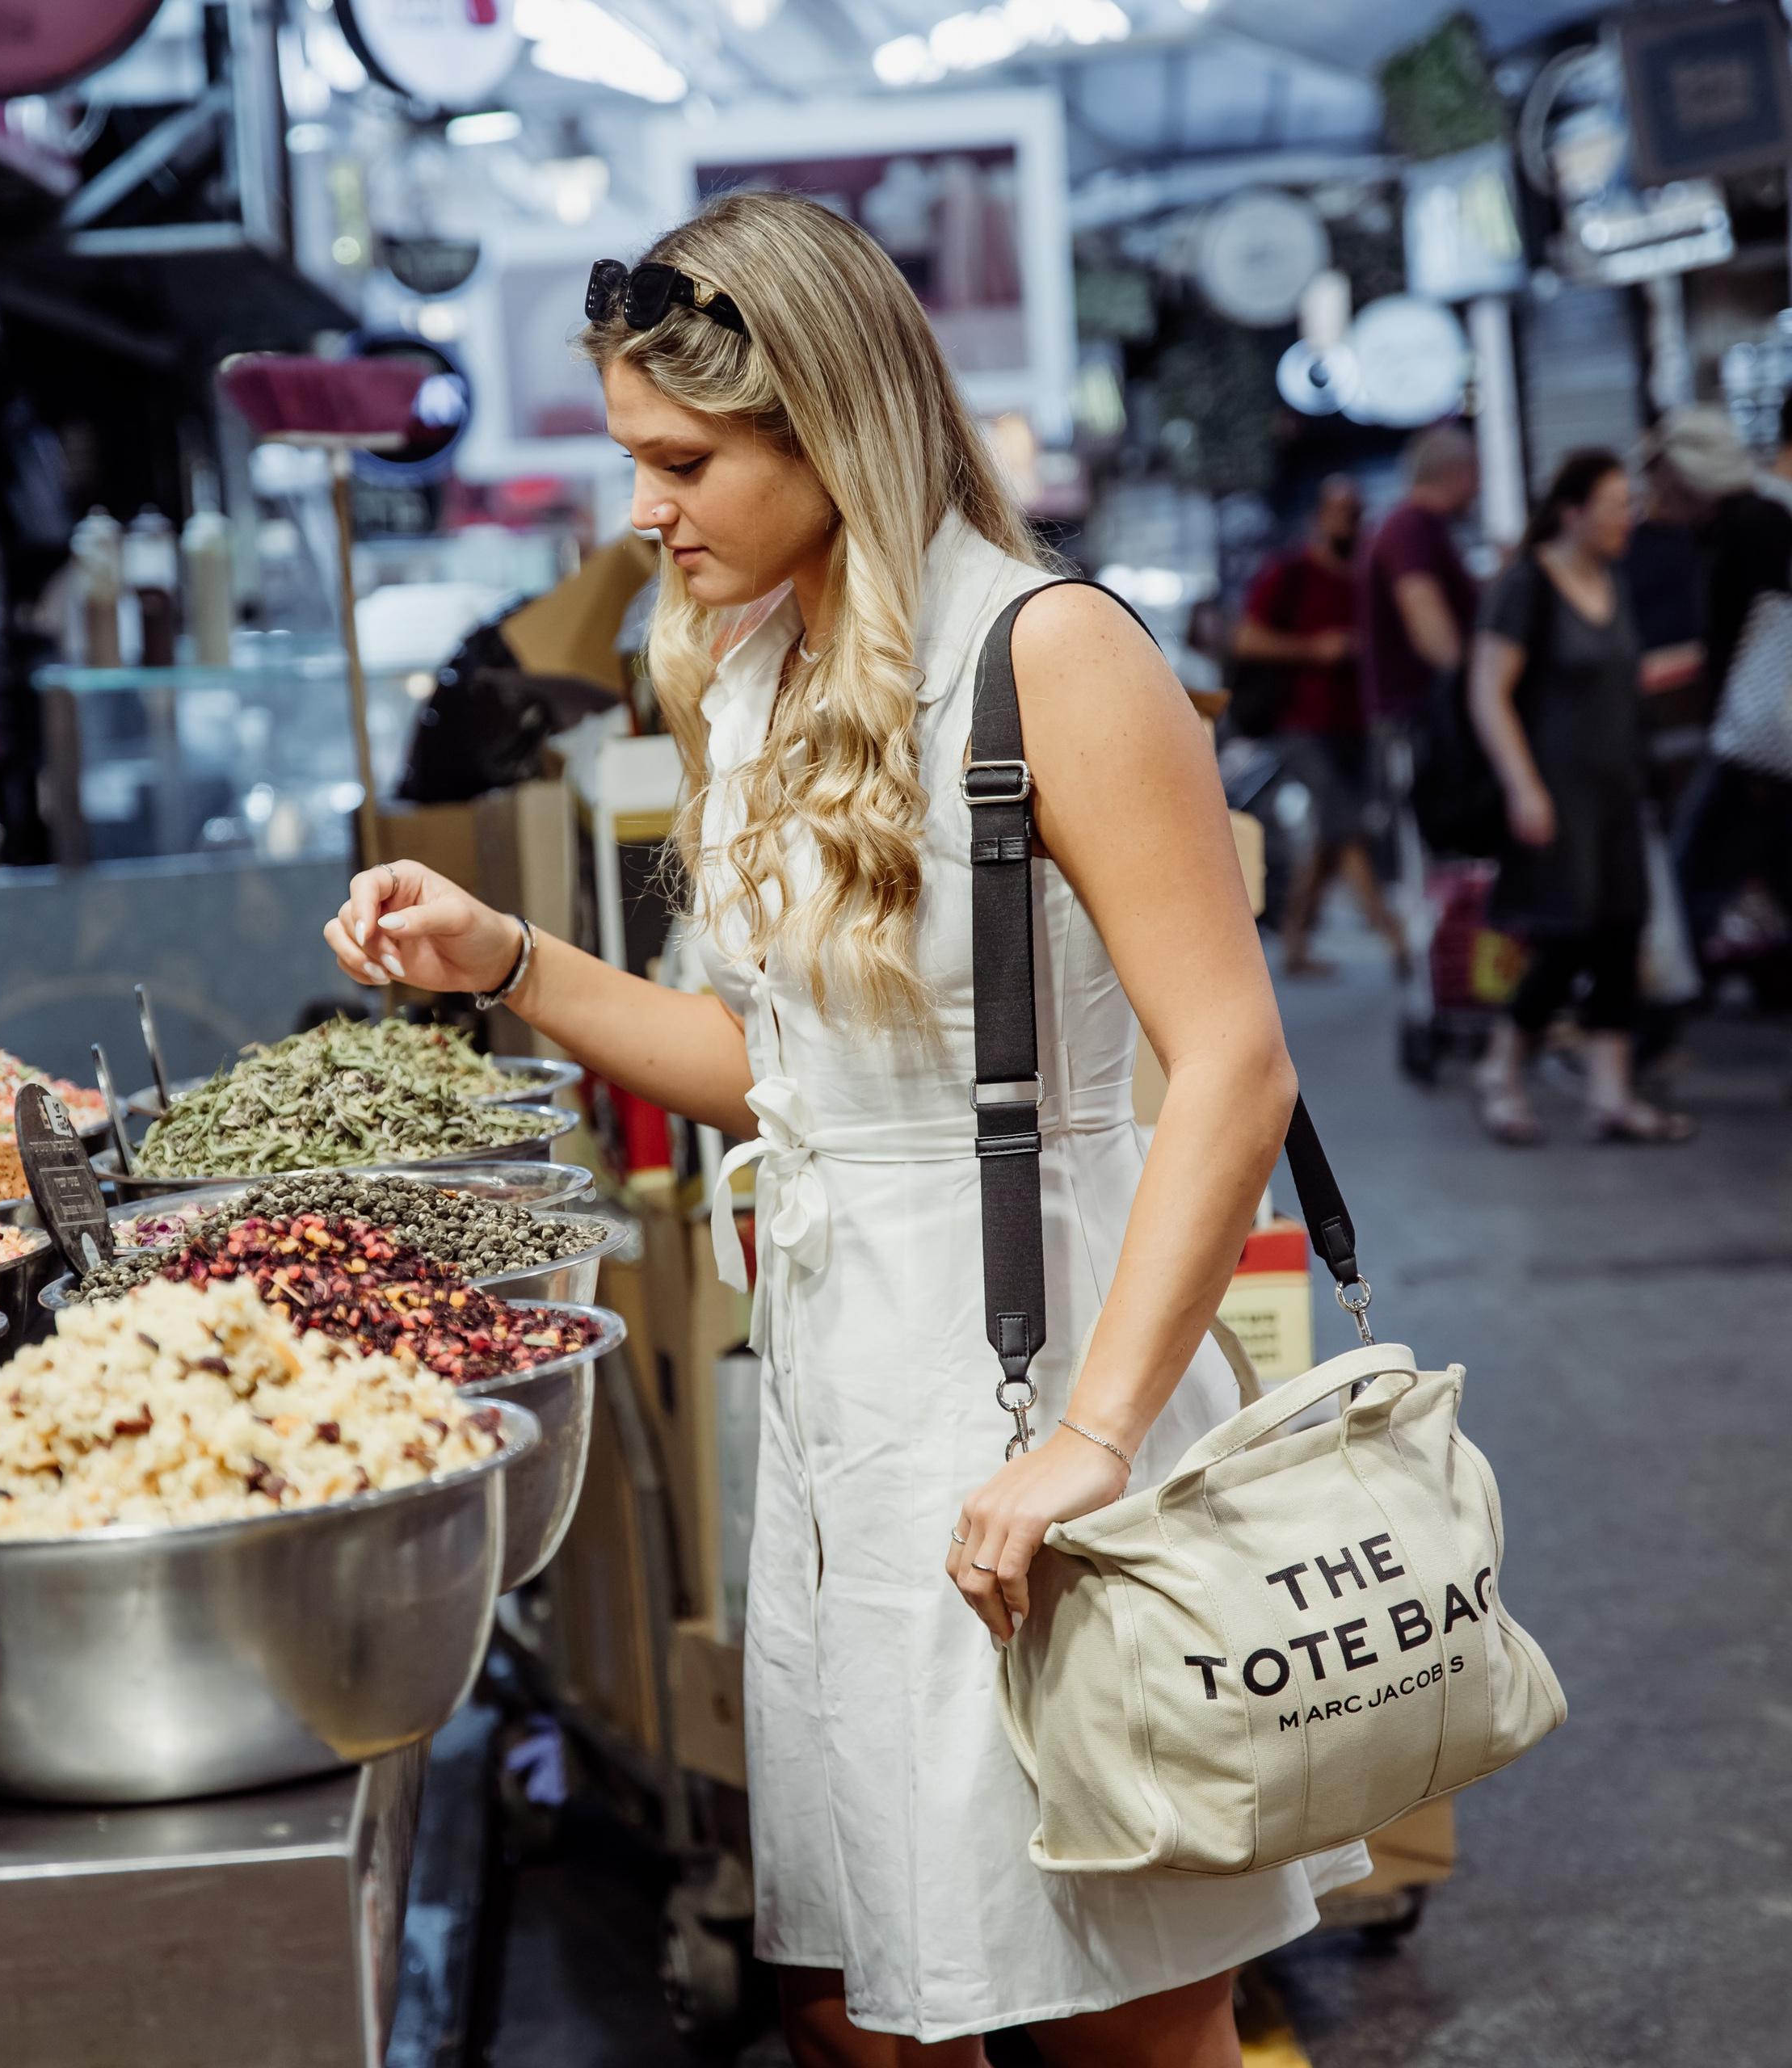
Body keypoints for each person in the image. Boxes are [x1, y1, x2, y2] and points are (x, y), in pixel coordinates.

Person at [326, 192, 1366, 2067]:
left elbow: (1231, 1065)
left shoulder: (1050, 652)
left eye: (683, 458)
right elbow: (781, 1070)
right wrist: (504, 959)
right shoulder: (747, 672)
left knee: (1119, 2008)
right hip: (836, 1404)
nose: (642, 508)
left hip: (1042, 1376)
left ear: (826, 421)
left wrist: (1087, 1440)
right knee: (866, 2003)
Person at [1466, 448, 1692, 1145]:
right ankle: (1500, 1069)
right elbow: (1487, 690)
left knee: (1620, 934)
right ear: (1573, 510)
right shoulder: (1528, 583)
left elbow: (1620, 677)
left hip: (1619, 789)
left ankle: (1610, 1096)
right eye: (1616, 505)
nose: (1630, 517)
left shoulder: (1613, 582)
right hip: (1556, 792)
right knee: (1564, 941)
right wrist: (1522, 785)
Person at [1233, 474, 1407, 976]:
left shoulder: (1367, 576)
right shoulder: (1288, 574)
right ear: (1318, 516)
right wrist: (1315, 649)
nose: (1349, 521)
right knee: (1345, 824)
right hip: (1299, 723)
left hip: (1355, 723)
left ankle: (1294, 944)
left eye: (1355, 511)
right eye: (1339, 510)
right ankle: (1392, 934)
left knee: (1331, 836)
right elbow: (1247, 639)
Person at [1643, 406, 1792, 967]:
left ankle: (1655, 1012)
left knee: (1693, 868)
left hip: (1757, 734)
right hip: (1750, 731)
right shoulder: (1721, 530)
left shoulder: (1755, 524)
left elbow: (1766, 639)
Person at [1357, 422, 1480, 729]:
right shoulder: (1412, 526)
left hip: (1416, 716)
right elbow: (1429, 624)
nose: (1478, 487)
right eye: (1475, 474)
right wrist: (1475, 682)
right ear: (1456, 472)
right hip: (1418, 720)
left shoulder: (1411, 524)